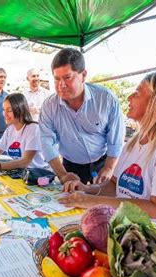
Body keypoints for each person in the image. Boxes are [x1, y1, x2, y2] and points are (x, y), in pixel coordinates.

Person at [60, 70, 156, 239]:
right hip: (138, 231)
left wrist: (90, 201)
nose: (129, 98)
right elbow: (114, 186)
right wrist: (87, 190)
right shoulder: (134, 141)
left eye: (137, 93)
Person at [39, 48, 125, 185]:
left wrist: (109, 168)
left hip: (103, 163)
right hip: (70, 167)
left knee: (101, 203)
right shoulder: (49, 106)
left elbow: (116, 139)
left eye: (67, 78)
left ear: (83, 75)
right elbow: (46, 143)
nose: (61, 85)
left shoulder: (106, 99)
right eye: (56, 79)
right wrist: (62, 175)